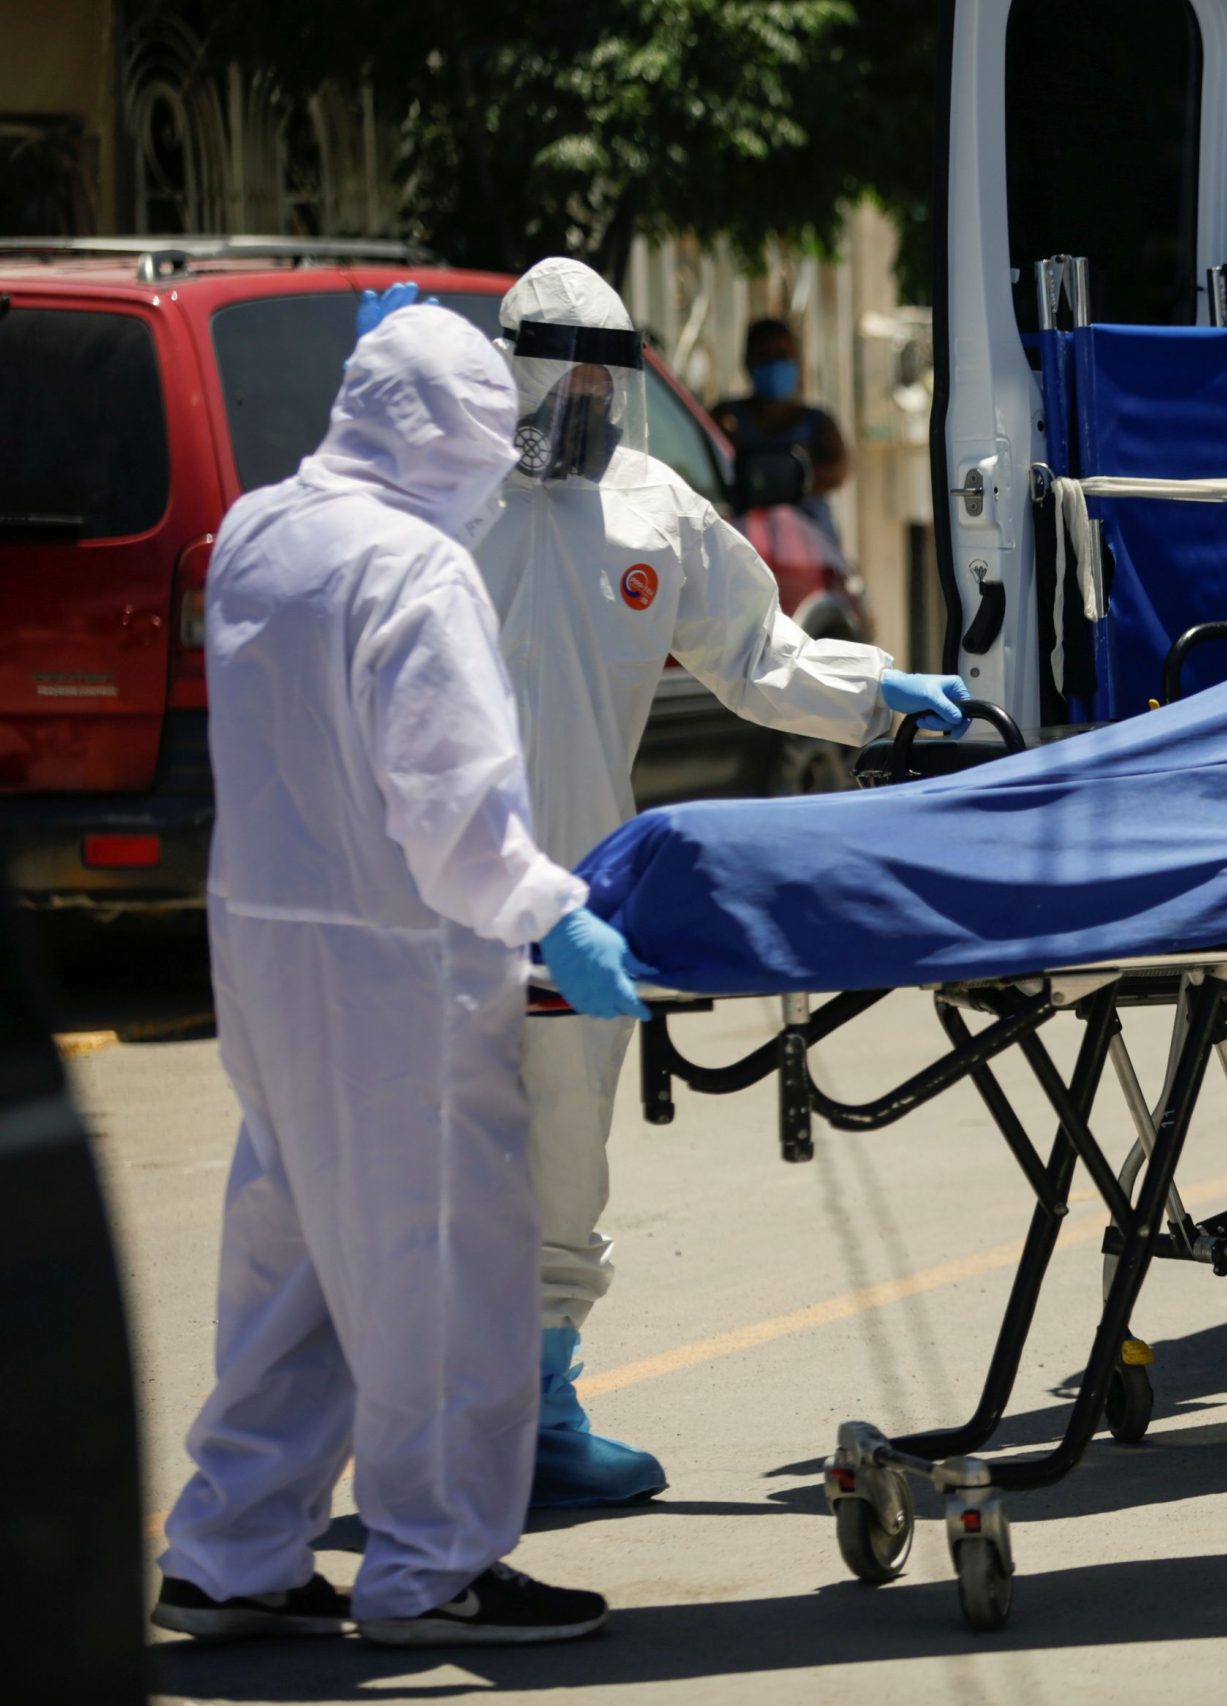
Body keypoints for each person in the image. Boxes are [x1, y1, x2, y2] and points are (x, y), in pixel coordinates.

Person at [153, 303, 648, 1647]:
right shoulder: (417, 570)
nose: (494, 479)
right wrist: (555, 912)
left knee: (298, 1259)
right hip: (399, 974)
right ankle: (435, 1566)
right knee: (444, 1271)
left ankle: (232, 1549)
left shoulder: (260, 528)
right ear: (450, 441)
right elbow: (455, 816)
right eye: (487, 447)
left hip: (270, 948)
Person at [473, 258, 970, 1508]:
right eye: (567, 381)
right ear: (515, 374)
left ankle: (540, 1410)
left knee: (565, 1154)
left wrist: (873, 692)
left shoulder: (651, 508)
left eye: (608, 384)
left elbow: (753, 649)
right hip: (436, 891)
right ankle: (438, 1421)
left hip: (581, 891)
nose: (589, 406)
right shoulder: (448, 492)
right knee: (425, 1161)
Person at [713, 317, 850, 544]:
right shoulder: (726, 416)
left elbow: (837, 470)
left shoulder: (819, 423)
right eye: (764, 354)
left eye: (781, 353)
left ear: (797, 361)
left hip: (808, 542)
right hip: (743, 538)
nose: (773, 361)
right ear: (747, 362)